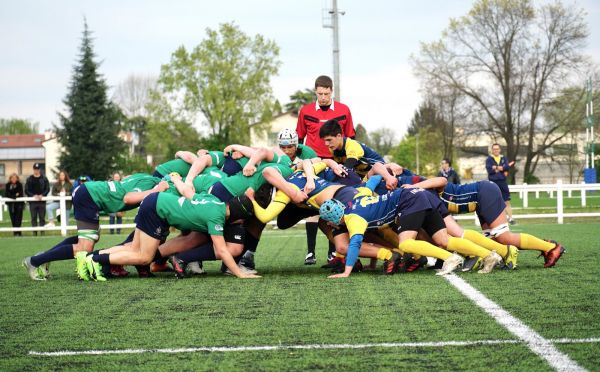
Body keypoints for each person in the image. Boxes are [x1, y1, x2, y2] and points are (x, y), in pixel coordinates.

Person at [22, 173, 167, 280]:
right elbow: (128, 198)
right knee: (84, 248)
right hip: (90, 196)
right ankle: (34, 261)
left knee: (87, 239)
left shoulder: (145, 176)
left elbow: (126, 181)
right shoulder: (154, 185)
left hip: (89, 192)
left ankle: (44, 256)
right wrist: (157, 190)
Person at [276, 128, 322, 265]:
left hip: (308, 188)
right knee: (281, 223)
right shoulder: (276, 154)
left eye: (290, 146)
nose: (286, 150)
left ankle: (318, 253)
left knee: (322, 215)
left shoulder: (305, 151)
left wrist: (297, 167)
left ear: (296, 145)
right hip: (288, 191)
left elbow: (318, 160)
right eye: (283, 147)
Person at [296, 75, 355, 159]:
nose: (323, 97)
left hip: (338, 159)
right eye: (320, 94)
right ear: (315, 91)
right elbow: (299, 137)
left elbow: (351, 137)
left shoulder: (344, 110)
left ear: (331, 91)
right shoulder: (305, 111)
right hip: (312, 159)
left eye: (326, 94)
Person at [486, 143, 515, 224]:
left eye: (497, 149)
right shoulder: (489, 159)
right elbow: (490, 170)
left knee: (506, 201)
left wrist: (496, 168)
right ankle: (495, 220)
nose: (496, 150)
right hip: (493, 183)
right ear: (492, 150)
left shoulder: (504, 158)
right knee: (493, 201)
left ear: (500, 150)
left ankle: (511, 218)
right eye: (494, 149)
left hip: (503, 182)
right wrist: (501, 168)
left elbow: (507, 167)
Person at [24, 163, 50, 236]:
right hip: (33, 202)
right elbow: (26, 190)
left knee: (42, 217)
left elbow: (47, 189)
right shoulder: (29, 179)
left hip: (42, 201)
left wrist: (43, 195)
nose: (36, 171)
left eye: (38, 169)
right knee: (33, 218)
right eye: (35, 169)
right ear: (33, 169)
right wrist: (33, 195)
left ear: (39, 170)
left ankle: (42, 233)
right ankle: (34, 233)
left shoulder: (44, 178)